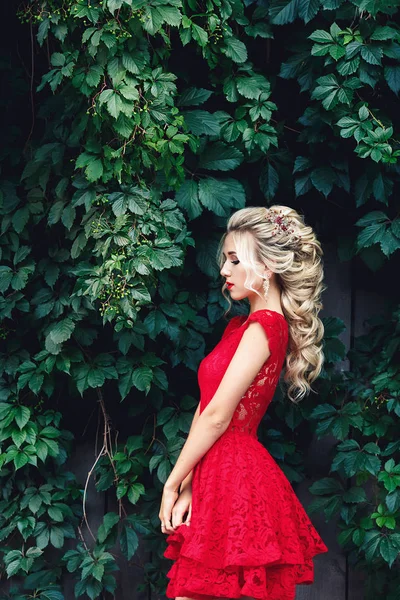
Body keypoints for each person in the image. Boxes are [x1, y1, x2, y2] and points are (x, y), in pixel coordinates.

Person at [159, 205, 329, 600]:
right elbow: (208, 406)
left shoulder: (266, 325)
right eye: (225, 260)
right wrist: (187, 485)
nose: (224, 270)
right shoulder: (239, 327)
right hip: (214, 473)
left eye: (235, 260)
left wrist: (170, 483)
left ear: (267, 266)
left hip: (235, 474)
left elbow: (218, 416)